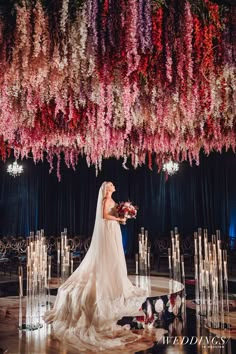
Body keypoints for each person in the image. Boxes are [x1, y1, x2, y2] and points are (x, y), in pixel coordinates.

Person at [43, 181, 147, 351]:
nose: (113, 186)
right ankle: (108, 282)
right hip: (108, 229)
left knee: (115, 257)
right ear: (106, 189)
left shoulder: (112, 201)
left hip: (113, 229)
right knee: (109, 256)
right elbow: (104, 216)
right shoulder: (106, 200)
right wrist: (120, 217)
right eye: (111, 185)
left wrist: (123, 217)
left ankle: (115, 281)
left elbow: (111, 215)